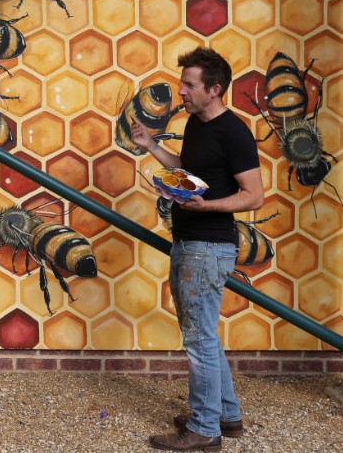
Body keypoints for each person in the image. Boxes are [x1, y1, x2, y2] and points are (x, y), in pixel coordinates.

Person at [131, 47, 264, 452]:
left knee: (198, 340)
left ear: (215, 89)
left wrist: (207, 206)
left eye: (189, 85)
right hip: (189, 242)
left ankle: (204, 429)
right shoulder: (195, 124)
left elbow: (254, 196)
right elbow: (190, 174)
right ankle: (227, 416)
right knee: (205, 335)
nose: (181, 91)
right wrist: (151, 145)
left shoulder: (234, 133)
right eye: (182, 83)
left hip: (208, 247)